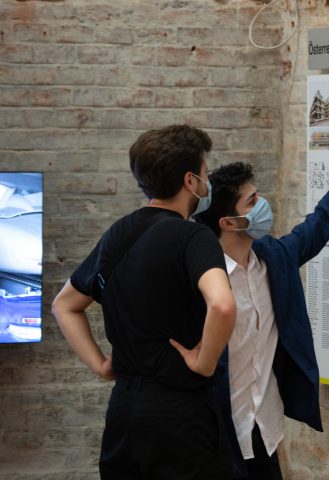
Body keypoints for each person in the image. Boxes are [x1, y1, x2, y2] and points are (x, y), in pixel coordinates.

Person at [51, 124, 237, 480]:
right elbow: (223, 305)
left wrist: (102, 366)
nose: (206, 182)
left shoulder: (117, 233)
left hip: (125, 414)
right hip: (180, 416)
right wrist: (203, 362)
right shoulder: (193, 236)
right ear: (189, 181)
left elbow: (64, 305)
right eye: (204, 173)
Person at [194, 133, 329, 479]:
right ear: (228, 223)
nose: (263, 205)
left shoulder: (273, 259)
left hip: (264, 427)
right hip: (218, 434)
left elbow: (319, 224)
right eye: (252, 201)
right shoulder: (202, 280)